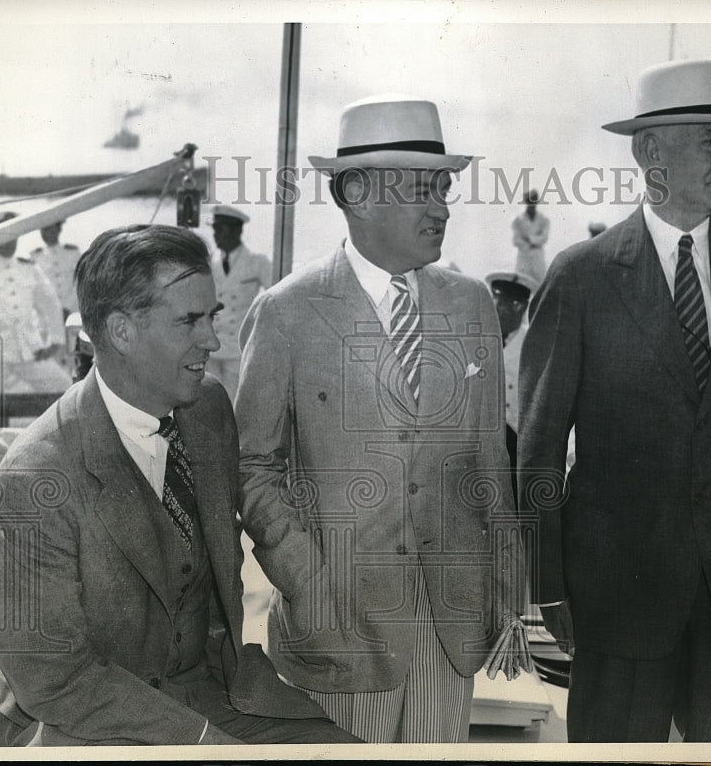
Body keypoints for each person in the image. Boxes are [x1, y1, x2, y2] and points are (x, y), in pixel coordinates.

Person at [519, 58, 711, 742]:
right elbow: (538, 452)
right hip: (616, 602)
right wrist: (545, 587)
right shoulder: (581, 277)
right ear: (649, 151)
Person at [0, 224, 359, 746]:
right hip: (77, 720)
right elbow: (54, 679)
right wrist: (204, 742)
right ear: (121, 332)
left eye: (212, 317)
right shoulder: (34, 479)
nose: (214, 341)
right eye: (189, 321)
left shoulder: (209, 411)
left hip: (208, 693)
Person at [235, 95, 527, 743]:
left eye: (444, 187)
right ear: (360, 195)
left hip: (453, 623)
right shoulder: (286, 311)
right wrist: (307, 584)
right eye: (425, 188)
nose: (443, 206)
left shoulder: (473, 303)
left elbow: (490, 462)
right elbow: (252, 469)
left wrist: (508, 588)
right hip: (338, 625)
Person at [0, 211, 71, 395]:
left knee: (64, 386)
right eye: (3, 236)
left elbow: (51, 303)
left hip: (28, 350)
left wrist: (56, 340)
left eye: (12, 236)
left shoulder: (30, 268)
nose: (9, 242)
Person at [208, 204, 272, 399]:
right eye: (214, 229)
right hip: (212, 347)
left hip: (238, 348)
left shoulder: (257, 263)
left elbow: (277, 299)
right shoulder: (211, 264)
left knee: (236, 402)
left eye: (220, 228)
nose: (215, 234)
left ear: (236, 230)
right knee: (211, 401)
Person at [484, 269, 538, 496]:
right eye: (499, 301)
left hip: (519, 440)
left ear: (523, 307)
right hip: (483, 440)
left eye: (513, 304)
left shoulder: (535, 341)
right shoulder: (478, 336)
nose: (503, 309)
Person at [30, 219, 81, 320]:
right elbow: (35, 289)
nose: (45, 233)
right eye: (43, 230)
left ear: (59, 229)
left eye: (49, 229)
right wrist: (52, 309)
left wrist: (68, 307)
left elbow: (80, 282)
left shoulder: (73, 253)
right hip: (48, 315)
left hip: (73, 311)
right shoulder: (35, 256)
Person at [511, 189, 550, 282]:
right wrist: (533, 241)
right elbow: (516, 240)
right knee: (521, 283)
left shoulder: (543, 219)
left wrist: (528, 238)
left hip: (538, 257)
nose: (532, 204)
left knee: (540, 284)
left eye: (534, 201)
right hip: (523, 258)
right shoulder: (518, 220)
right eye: (529, 201)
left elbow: (544, 238)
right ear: (526, 202)